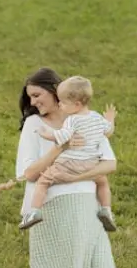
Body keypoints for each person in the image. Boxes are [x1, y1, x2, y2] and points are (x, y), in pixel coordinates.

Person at [15, 67, 124, 268]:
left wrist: (74, 178)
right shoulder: (34, 126)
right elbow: (28, 173)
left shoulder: (87, 122)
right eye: (31, 98)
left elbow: (109, 164)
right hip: (48, 209)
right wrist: (59, 148)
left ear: (57, 92)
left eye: (38, 95)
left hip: (87, 206)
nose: (34, 102)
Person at [19, 75, 118, 231]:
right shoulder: (95, 118)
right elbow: (108, 131)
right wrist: (110, 119)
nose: (32, 102)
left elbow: (62, 137)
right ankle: (106, 209)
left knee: (44, 181)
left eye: (36, 95)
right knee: (103, 181)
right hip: (88, 164)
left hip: (70, 168)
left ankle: (34, 213)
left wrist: (47, 134)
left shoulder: (72, 121)